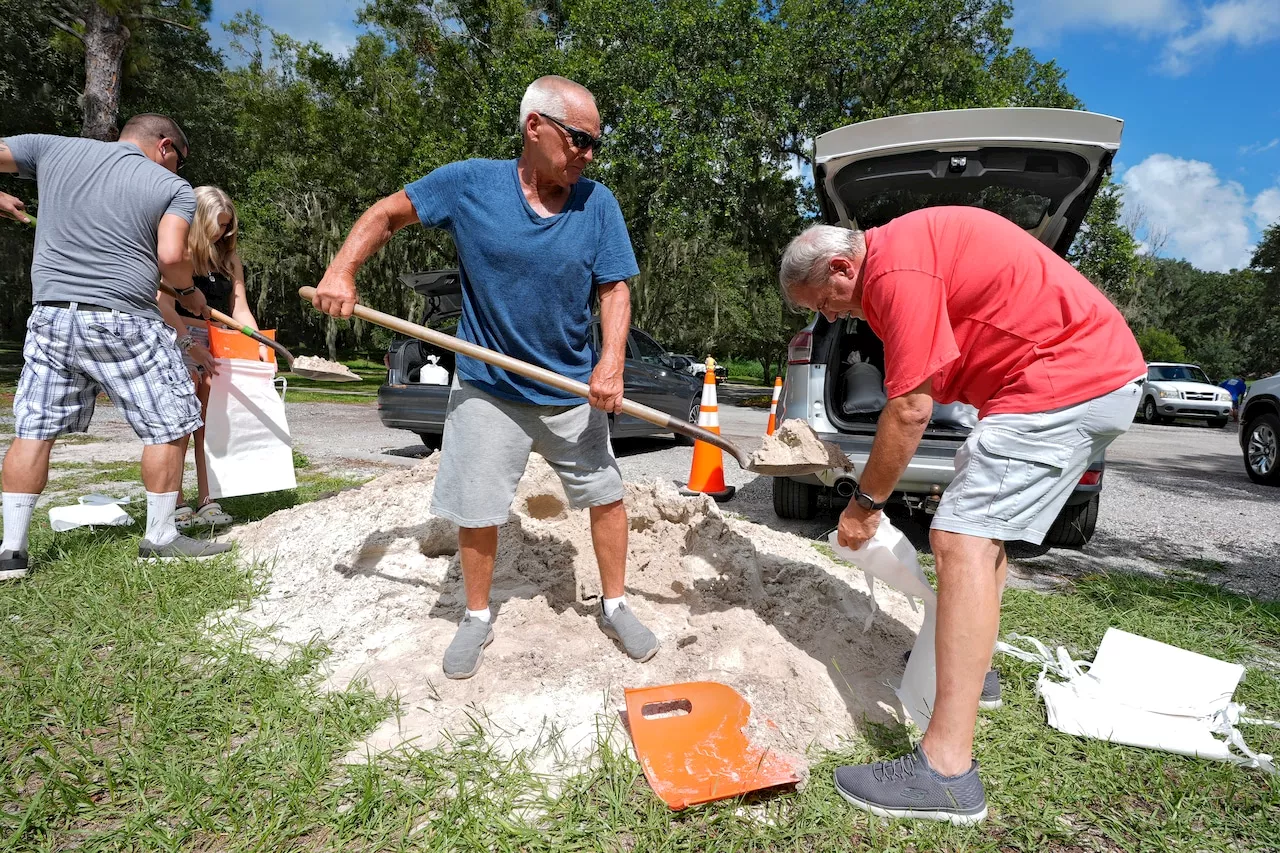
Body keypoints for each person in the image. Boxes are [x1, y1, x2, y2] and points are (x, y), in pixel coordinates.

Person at [779, 206, 1145, 824]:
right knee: (977, 534)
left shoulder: (897, 270)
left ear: (843, 266)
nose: (831, 316)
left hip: (1060, 382)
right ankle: (975, 676)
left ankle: (945, 771)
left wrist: (865, 505)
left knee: (958, 538)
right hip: (1081, 378)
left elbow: (911, 410)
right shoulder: (909, 249)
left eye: (825, 301)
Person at [313, 75, 658, 678]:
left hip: (570, 386)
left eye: (595, 143)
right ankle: (475, 617)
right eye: (579, 139)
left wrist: (611, 362)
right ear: (535, 127)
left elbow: (615, 289)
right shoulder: (468, 184)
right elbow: (386, 214)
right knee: (478, 507)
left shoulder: (597, 204)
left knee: (606, 496)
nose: (588, 155)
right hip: (486, 386)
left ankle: (616, 603)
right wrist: (341, 271)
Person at [0, 114, 233, 580]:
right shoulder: (171, 188)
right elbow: (171, 257)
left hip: (51, 317)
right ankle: (162, 536)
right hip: (122, 317)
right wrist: (190, 294)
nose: (178, 171)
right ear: (165, 146)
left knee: (34, 429)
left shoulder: (52, 148)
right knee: (171, 419)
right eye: (178, 161)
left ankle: (11, 552)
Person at [158, 185, 267, 529]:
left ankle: (208, 498)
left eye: (227, 226)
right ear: (198, 219)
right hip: (176, 336)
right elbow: (161, 305)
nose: (222, 232)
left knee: (211, 423)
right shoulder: (175, 254)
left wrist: (257, 344)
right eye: (217, 225)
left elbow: (240, 310)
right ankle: (174, 502)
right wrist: (189, 344)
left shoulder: (228, 260)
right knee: (179, 422)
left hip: (218, 340)